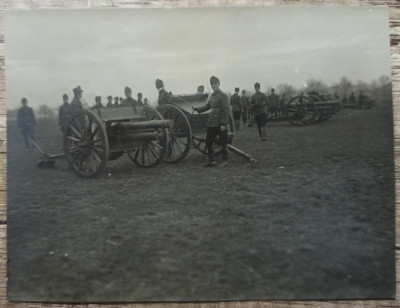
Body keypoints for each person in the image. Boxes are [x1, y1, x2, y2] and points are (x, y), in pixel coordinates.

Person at [194, 76, 229, 167]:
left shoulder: (223, 96)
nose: (213, 86)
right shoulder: (212, 96)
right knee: (209, 141)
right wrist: (198, 109)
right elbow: (208, 106)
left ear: (219, 84)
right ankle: (212, 161)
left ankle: (225, 161)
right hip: (212, 122)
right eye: (212, 84)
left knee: (223, 141)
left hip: (220, 122)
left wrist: (223, 123)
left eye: (215, 84)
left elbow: (225, 110)